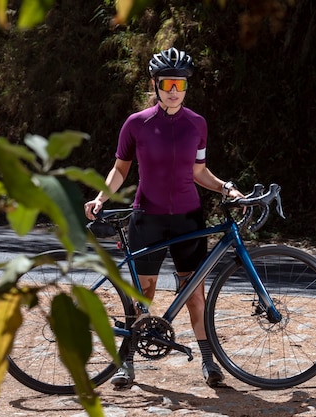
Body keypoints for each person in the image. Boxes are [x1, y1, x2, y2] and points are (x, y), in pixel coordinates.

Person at [84, 47, 243, 388]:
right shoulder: (136, 124)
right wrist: (99, 197)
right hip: (148, 217)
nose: (174, 90)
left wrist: (226, 188)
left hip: (188, 218)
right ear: (155, 84)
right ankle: (127, 363)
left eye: (181, 84)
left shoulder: (197, 124)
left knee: (193, 292)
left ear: (186, 88)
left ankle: (207, 362)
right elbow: (119, 169)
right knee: (144, 291)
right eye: (168, 83)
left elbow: (199, 171)